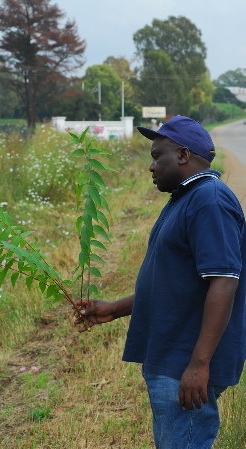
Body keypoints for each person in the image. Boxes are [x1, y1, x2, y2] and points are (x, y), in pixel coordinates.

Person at [75, 116, 246, 449]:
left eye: (157, 157)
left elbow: (224, 282)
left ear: (183, 155)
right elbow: (170, 285)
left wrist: (198, 364)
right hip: (171, 355)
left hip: (185, 361)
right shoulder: (186, 199)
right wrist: (112, 309)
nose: (151, 167)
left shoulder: (209, 200)